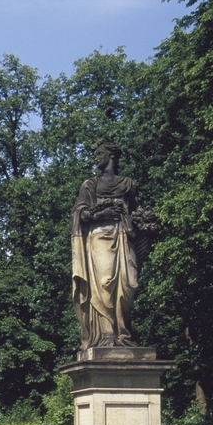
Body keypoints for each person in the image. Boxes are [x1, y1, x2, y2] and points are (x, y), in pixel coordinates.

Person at [71, 140, 155, 350]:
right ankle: (106, 334)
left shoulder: (127, 184)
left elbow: (136, 212)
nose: (96, 158)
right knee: (104, 283)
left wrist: (147, 222)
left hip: (124, 236)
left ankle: (123, 333)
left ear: (112, 156)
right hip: (100, 238)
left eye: (100, 154)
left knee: (129, 285)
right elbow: (80, 214)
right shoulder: (90, 185)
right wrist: (102, 214)